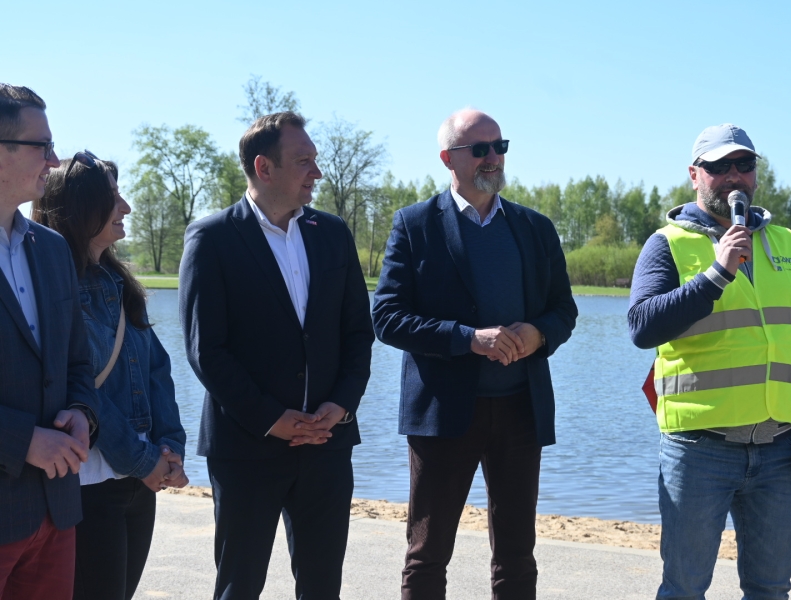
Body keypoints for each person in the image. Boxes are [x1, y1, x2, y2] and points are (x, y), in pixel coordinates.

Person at [372, 108, 577, 600]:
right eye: (480, 149)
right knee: (427, 555)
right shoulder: (415, 224)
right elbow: (387, 317)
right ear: (448, 158)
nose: (493, 157)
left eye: (499, 146)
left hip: (520, 411)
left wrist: (538, 334)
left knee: (517, 556)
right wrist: (468, 338)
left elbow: (563, 311)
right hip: (443, 415)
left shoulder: (535, 227)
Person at [628, 123, 791, 599]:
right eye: (719, 167)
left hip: (778, 449)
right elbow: (642, 327)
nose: (733, 176)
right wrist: (716, 274)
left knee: (771, 590)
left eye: (744, 165)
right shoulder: (667, 243)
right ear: (694, 175)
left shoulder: (786, 242)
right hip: (698, 451)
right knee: (684, 589)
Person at [179, 111, 374, 600]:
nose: (317, 172)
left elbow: (358, 333)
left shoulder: (333, 233)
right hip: (247, 448)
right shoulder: (212, 238)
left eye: (315, 160)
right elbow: (207, 351)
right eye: (304, 161)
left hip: (327, 444)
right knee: (239, 587)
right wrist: (271, 418)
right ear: (264, 168)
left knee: (322, 588)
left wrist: (342, 405)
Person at [31, 151, 189, 600]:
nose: (126, 207)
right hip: (89, 485)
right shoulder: (56, 287)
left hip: (138, 480)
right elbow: (83, 391)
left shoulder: (118, 283)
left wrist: (169, 448)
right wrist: (145, 461)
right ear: (81, 207)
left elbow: (157, 369)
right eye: (113, 197)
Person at [0, 84, 100, 599]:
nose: (55, 161)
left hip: (55, 511)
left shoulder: (54, 249)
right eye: (43, 146)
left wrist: (82, 413)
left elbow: (77, 361)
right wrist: (22, 442)